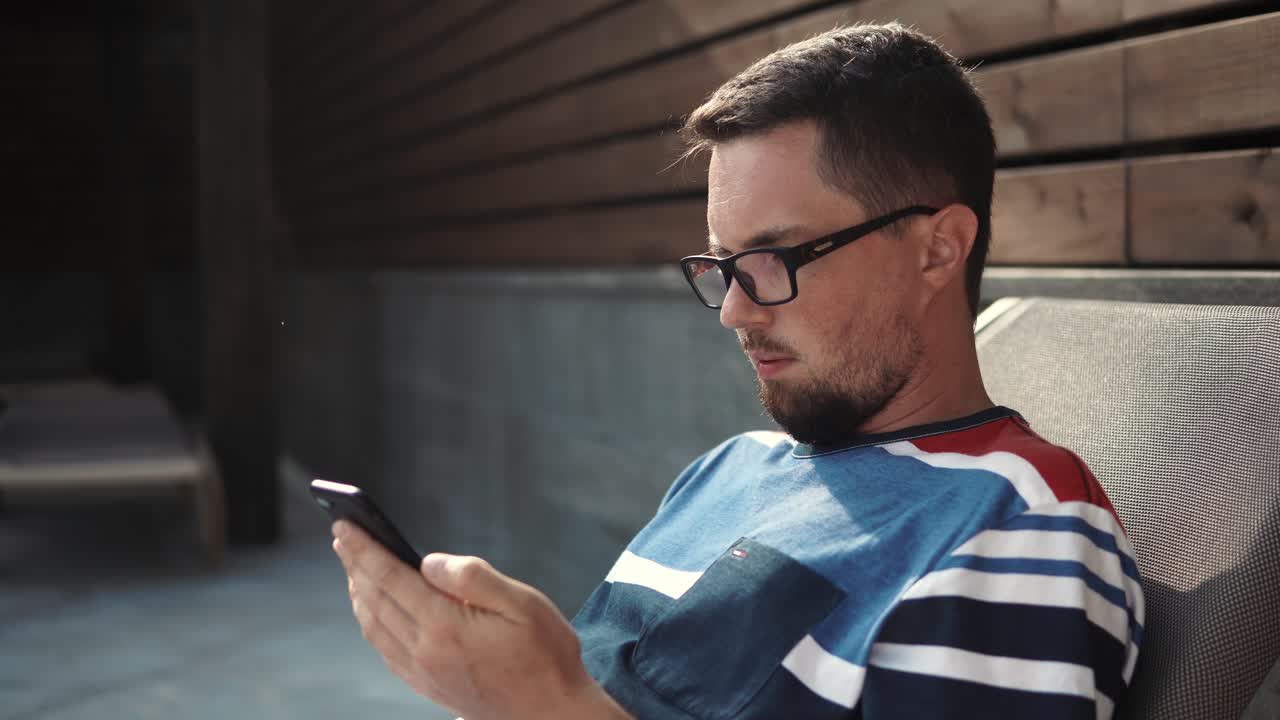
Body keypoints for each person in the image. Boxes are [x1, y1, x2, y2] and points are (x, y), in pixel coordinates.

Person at [330, 22, 1144, 719]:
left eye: (777, 258)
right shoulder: (728, 470)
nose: (735, 310)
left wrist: (554, 705)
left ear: (938, 249)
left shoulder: (1015, 528)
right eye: (723, 265)